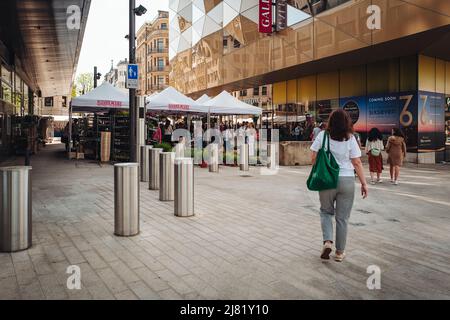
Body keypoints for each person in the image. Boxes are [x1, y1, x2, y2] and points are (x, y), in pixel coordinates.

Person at [310, 109, 368, 262]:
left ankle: (328, 241)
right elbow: (356, 162)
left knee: (325, 212)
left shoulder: (322, 136)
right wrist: (364, 183)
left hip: (327, 180)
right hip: (347, 180)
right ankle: (339, 253)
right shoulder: (351, 138)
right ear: (347, 122)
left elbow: (313, 158)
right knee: (342, 219)